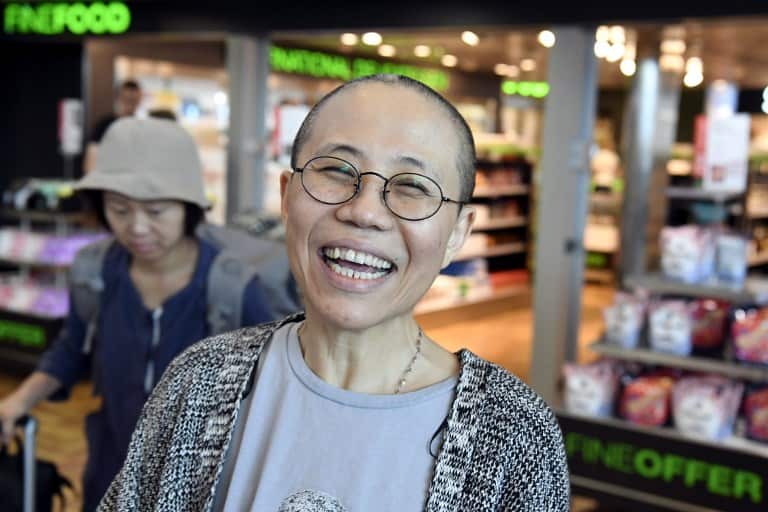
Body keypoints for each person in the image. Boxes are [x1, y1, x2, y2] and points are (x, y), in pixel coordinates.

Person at [97, 75, 570, 511]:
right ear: (287, 196)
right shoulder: (195, 383)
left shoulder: (514, 436)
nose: (364, 212)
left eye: (412, 186)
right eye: (338, 171)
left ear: (457, 233)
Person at [0, 118, 276, 511]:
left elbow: (269, 391)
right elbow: (70, 350)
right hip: (111, 474)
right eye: (119, 209)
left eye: (156, 211)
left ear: (190, 208)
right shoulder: (95, 272)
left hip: (202, 489)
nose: (137, 227)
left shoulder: (232, 288)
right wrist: (16, 402)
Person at [83, 80, 142, 173]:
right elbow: (91, 158)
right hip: (107, 179)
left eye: (133, 100)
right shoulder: (104, 125)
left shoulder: (141, 128)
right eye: (127, 99)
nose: (130, 104)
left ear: (139, 100)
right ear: (119, 98)